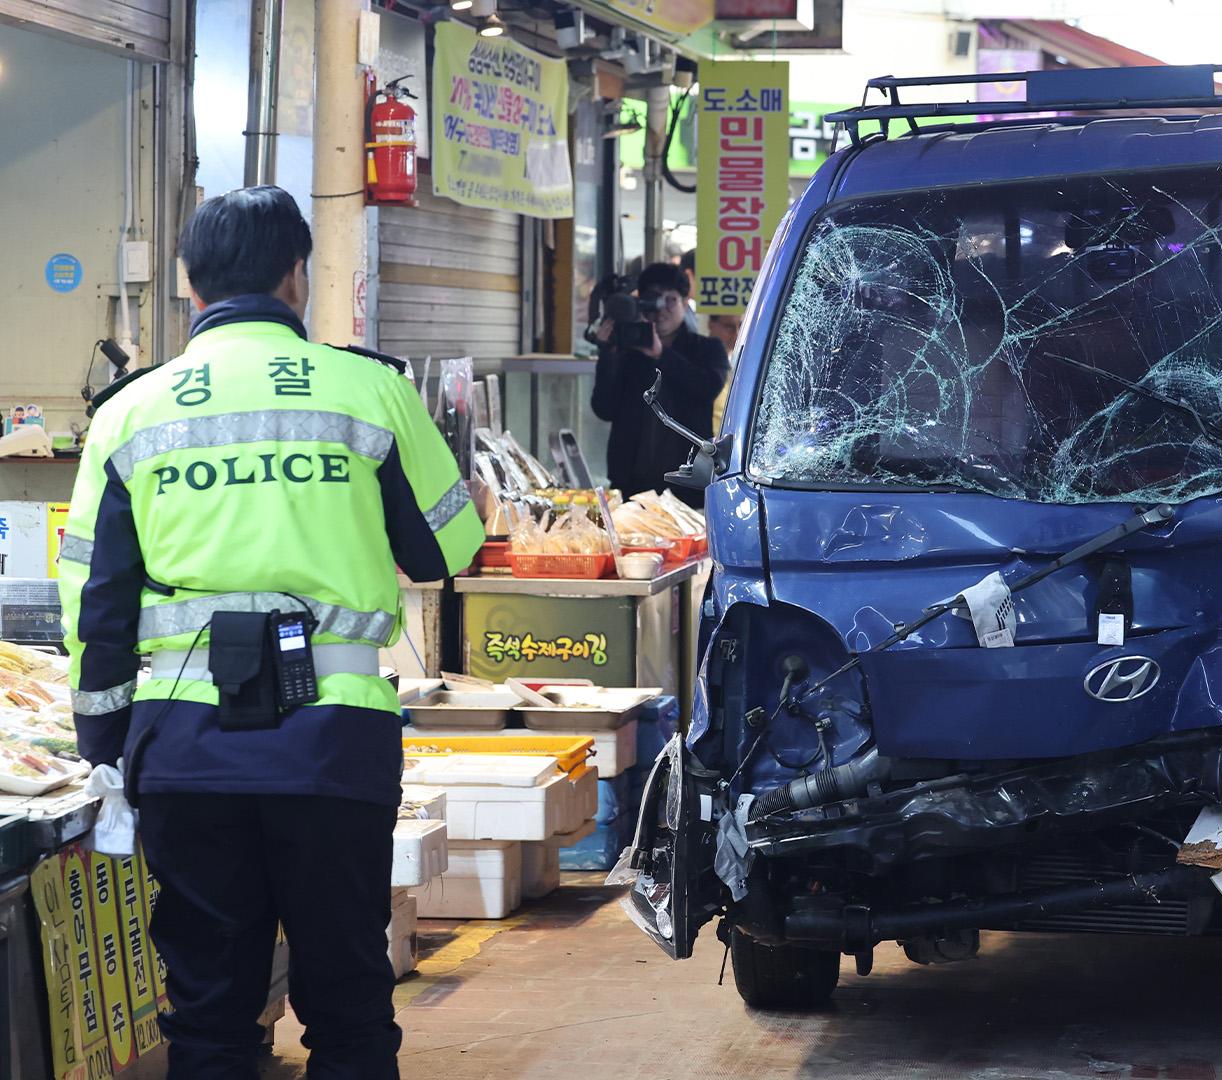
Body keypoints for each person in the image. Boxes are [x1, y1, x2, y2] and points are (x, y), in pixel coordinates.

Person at [58, 186, 484, 1079]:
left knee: (209, 1011)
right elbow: (448, 546)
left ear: (187, 283)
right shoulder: (370, 389)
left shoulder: (129, 414)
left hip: (182, 748)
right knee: (349, 1003)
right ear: (299, 276)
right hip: (334, 745)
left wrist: (105, 743)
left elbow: (95, 604)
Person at [590, 260, 729, 506]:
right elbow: (604, 408)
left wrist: (660, 354)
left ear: (686, 302)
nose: (661, 309)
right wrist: (607, 353)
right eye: (653, 299)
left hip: (688, 485)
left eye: (671, 300)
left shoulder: (707, 349)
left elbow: (707, 388)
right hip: (631, 484)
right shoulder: (626, 352)